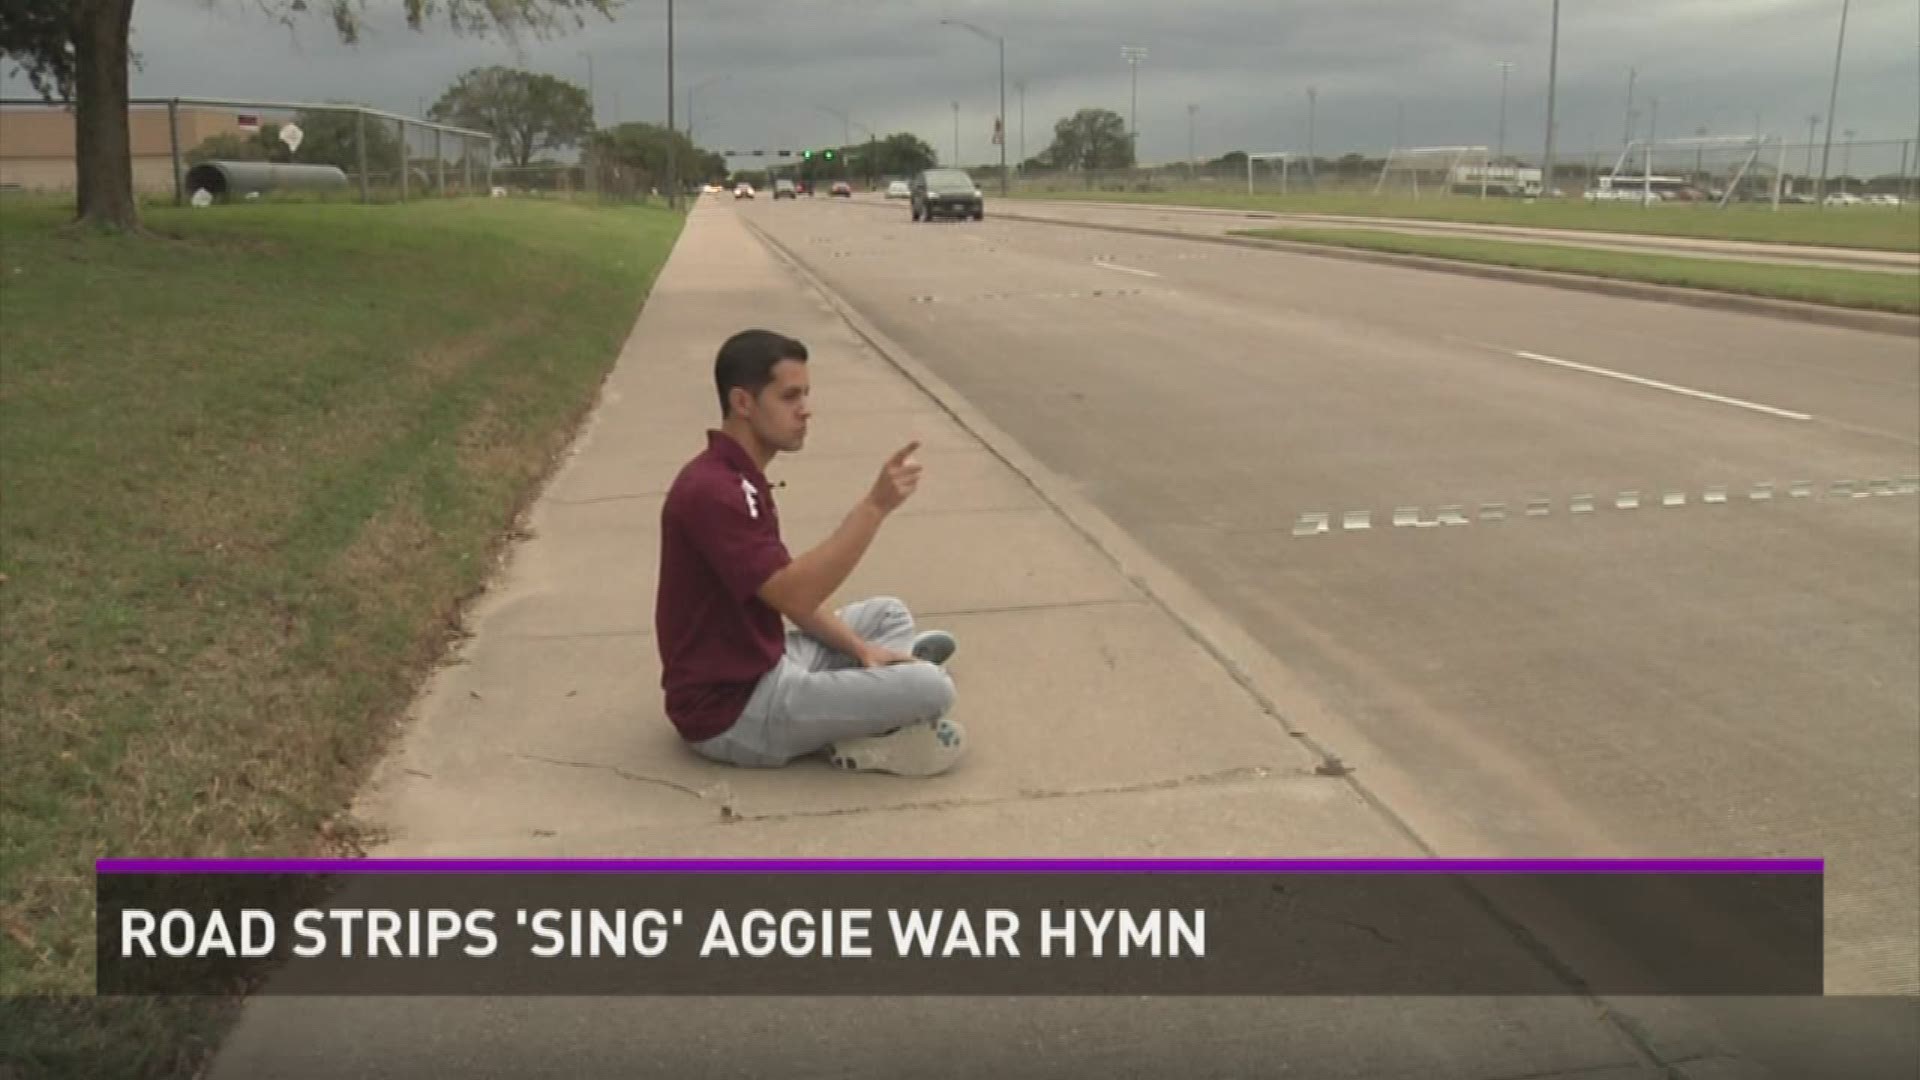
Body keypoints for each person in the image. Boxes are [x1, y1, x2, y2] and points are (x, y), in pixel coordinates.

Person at [654, 329, 966, 777]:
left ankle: (871, 683)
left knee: (887, 615)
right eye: (790, 396)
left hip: (767, 662)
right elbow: (795, 595)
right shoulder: (714, 492)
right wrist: (875, 506)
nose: (806, 409)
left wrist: (861, 649)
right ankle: (876, 726)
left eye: (806, 394)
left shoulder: (735, 477)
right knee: (934, 689)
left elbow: (784, 596)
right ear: (743, 403)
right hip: (733, 710)